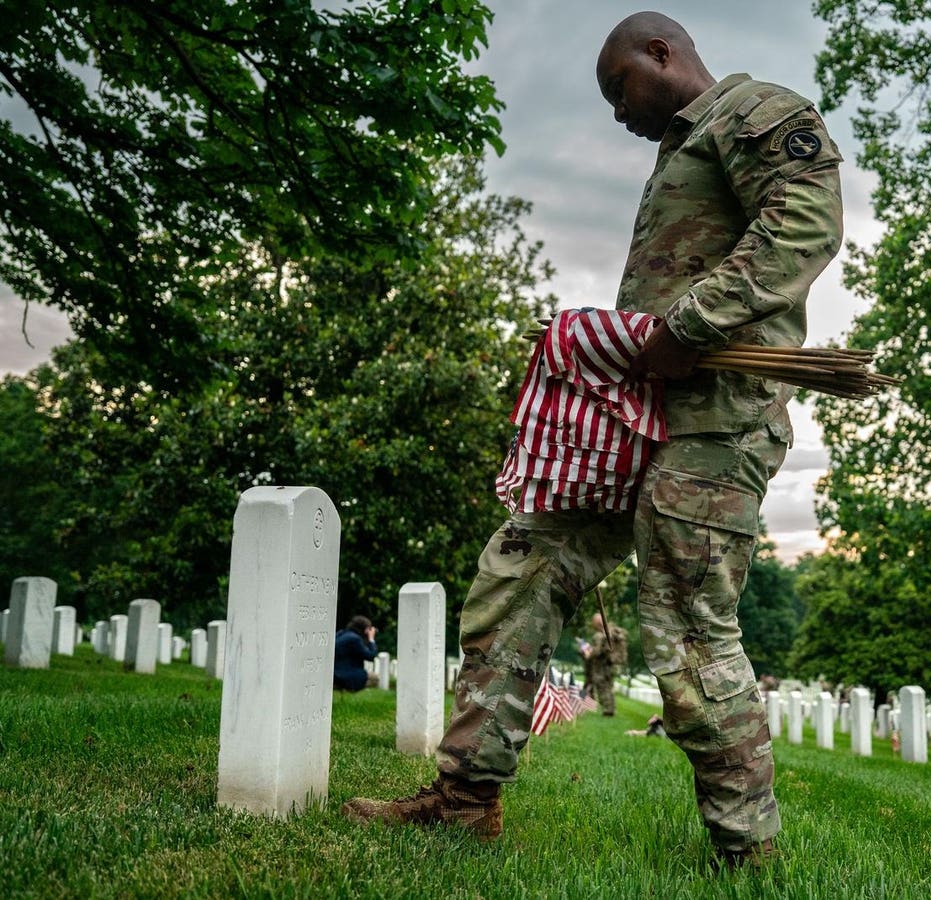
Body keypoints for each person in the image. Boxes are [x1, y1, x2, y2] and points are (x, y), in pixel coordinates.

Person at [343, 11, 842, 868]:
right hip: (630, 413)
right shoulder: (678, 151)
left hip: (715, 423)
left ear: (662, 53)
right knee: (520, 570)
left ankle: (748, 855)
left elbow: (803, 226)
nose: (617, 110)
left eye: (620, 87)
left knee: (688, 625)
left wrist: (687, 325)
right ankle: (465, 798)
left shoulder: (755, 111)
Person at [582, 612, 628, 716]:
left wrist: (587, 653)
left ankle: (608, 710)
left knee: (602, 687)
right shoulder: (609, 633)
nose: (592, 624)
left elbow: (597, 651)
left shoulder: (599, 635)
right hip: (611, 665)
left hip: (601, 667)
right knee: (608, 687)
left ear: (597, 623)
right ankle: (610, 709)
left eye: (593, 622)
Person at [333, 615, 379, 692]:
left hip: (334, 673)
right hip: (343, 675)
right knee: (375, 678)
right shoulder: (355, 639)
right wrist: (371, 639)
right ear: (365, 629)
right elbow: (371, 656)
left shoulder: (341, 633)